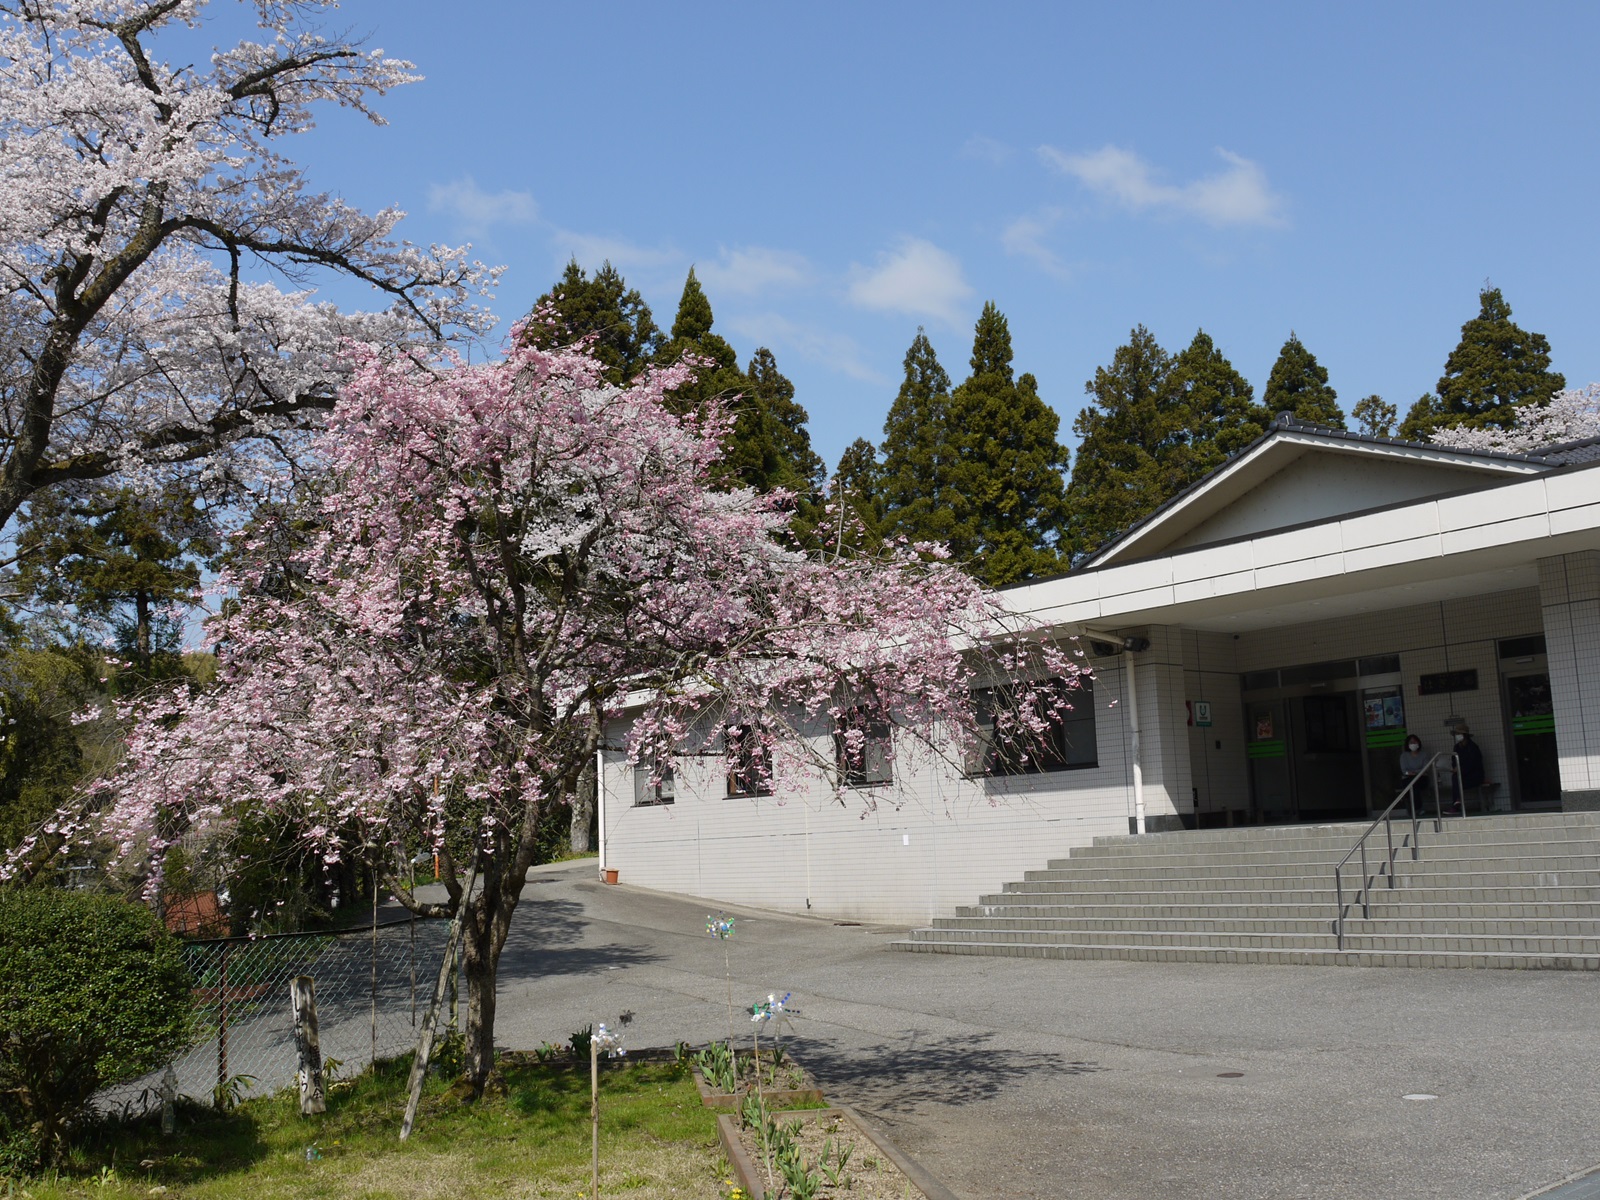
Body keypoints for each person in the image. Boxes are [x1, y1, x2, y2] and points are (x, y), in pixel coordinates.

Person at [1448, 724, 1486, 814]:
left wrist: (1460, 769)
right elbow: (1454, 760)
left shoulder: (1473, 747)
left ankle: (1456, 804)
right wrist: (1455, 768)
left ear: (1465, 735)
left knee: (1456, 780)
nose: (1457, 735)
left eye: (1459, 733)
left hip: (1474, 776)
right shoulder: (1456, 747)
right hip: (1462, 776)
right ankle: (1457, 803)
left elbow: (1474, 764)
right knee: (1455, 778)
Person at [1397, 734, 1432, 814]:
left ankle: (1414, 809)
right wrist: (1415, 772)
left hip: (1422, 779)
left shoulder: (1424, 755)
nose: (1413, 743)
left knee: (1413, 784)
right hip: (1408, 778)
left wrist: (1414, 772)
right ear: (1407, 744)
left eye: (1414, 741)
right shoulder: (1404, 756)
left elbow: (1426, 769)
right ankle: (1418, 808)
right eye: (1411, 742)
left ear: (1418, 743)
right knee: (1412, 784)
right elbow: (1404, 770)